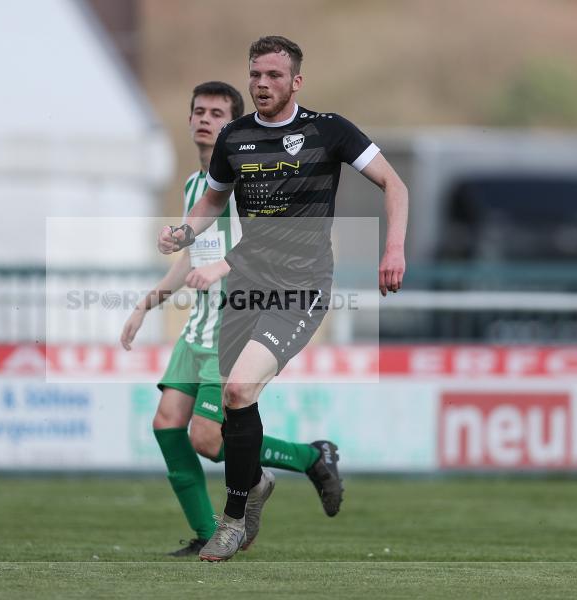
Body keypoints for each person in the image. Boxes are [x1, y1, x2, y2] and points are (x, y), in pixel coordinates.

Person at [158, 36, 408, 562]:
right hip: (245, 284)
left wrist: (394, 248)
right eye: (255, 75)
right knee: (232, 404)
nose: (262, 84)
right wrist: (184, 231)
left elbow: (394, 184)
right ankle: (259, 486)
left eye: (274, 76)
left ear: (296, 81)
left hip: (301, 288)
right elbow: (211, 198)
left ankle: (231, 520)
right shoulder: (236, 136)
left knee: (239, 386)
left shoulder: (328, 130)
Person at [123, 80, 344, 557]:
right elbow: (191, 259)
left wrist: (233, 274)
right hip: (196, 327)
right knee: (166, 424)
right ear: (188, 121)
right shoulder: (194, 187)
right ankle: (207, 530)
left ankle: (307, 458)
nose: (206, 120)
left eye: (217, 114)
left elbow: (270, 246)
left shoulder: (252, 182)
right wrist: (148, 303)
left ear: (237, 128)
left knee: (206, 437)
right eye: (198, 111)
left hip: (233, 321)